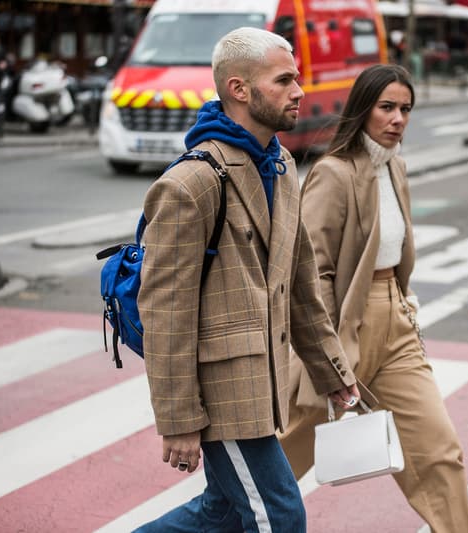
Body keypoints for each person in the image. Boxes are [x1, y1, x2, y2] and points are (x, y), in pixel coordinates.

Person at [134, 27, 361, 533]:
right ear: (239, 89)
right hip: (221, 392)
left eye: (297, 79)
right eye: (284, 81)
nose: (299, 91)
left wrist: (332, 371)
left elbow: (300, 284)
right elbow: (165, 312)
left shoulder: (280, 165)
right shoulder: (190, 185)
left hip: (264, 385)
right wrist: (177, 420)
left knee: (221, 512)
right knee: (279, 514)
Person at [279, 64, 468, 533]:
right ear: (363, 110)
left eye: (405, 109)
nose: (397, 119)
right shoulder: (334, 173)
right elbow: (311, 272)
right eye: (386, 108)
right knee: (287, 452)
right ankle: (224, 520)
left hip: (396, 320)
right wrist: (326, 355)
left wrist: (404, 306)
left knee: (438, 451)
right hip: (344, 324)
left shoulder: (396, 168)